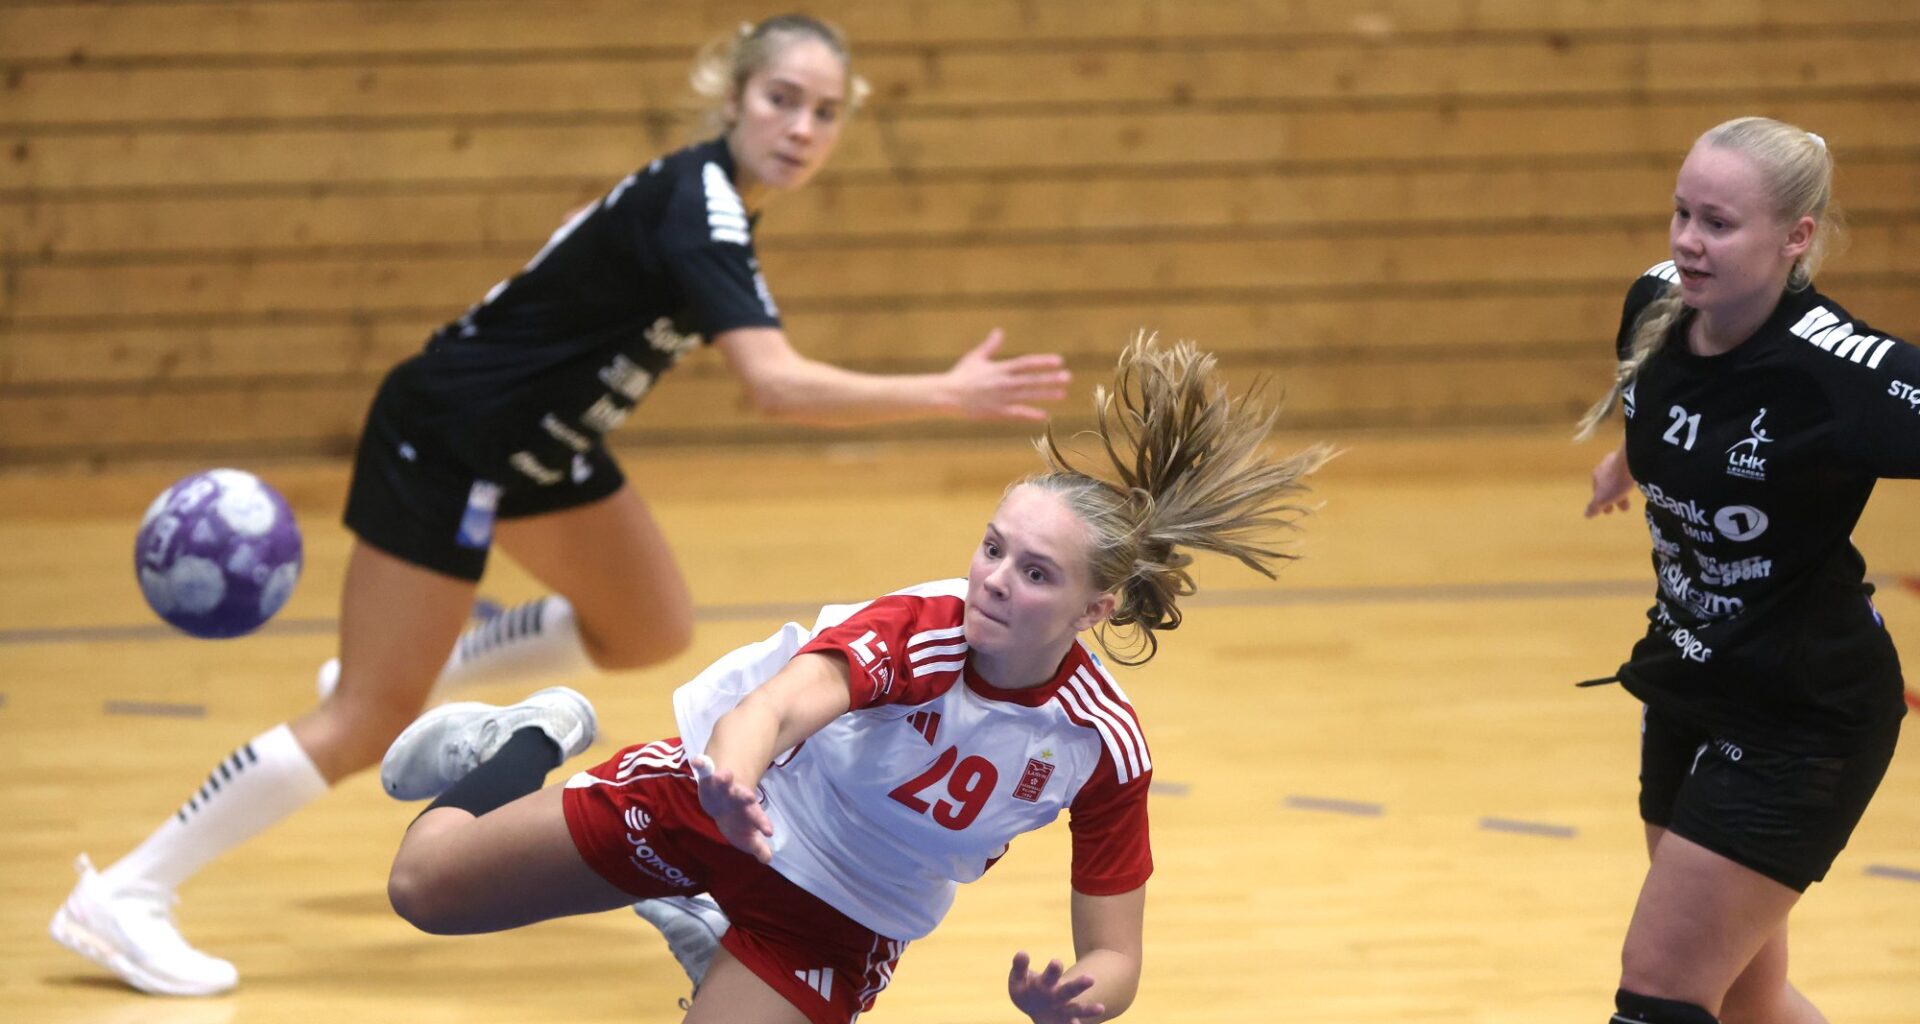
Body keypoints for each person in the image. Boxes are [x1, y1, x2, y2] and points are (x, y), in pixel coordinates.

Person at [51, 14, 1071, 997]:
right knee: (363, 717)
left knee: (646, 624)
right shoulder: (701, 202)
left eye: (826, 111)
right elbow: (773, 382)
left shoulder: (715, 201)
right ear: (733, 95)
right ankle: (128, 892)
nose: (802, 128)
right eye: (782, 99)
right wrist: (945, 392)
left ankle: (434, 668)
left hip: (541, 446)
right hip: (453, 437)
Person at [373, 335, 1336, 1024]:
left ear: (1096, 612)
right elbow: (783, 703)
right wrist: (732, 776)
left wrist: (1088, 996)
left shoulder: (1099, 746)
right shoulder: (924, 633)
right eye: (994, 548)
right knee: (424, 889)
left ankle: (709, 923)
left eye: (1035, 573)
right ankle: (529, 742)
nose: (994, 579)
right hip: (719, 800)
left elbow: (1117, 952)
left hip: (840, 917)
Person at [1576, 117, 1913, 1024]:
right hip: (1688, 680)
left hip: (1803, 717)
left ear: (1796, 236)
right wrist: (1632, 461)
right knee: (1748, 1001)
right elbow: (1668, 403)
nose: (1689, 241)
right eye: (1682, 212)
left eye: (1719, 223)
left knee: (1660, 992)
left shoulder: (1841, 373)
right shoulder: (1655, 299)